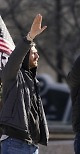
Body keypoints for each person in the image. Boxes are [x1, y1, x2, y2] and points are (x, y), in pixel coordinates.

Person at [0, 14, 49, 154]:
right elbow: (15, 58)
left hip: (32, 145)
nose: (37, 56)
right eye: (34, 53)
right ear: (25, 55)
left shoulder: (32, 80)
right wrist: (29, 38)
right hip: (14, 143)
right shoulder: (12, 74)